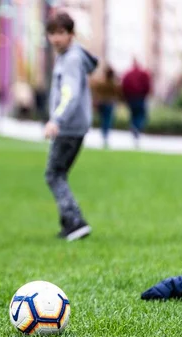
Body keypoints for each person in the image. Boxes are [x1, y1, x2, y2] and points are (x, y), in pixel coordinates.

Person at [43, 12, 98, 242]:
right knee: (58, 173)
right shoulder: (66, 56)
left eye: (61, 33)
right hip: (73, 126)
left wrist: (57, 119)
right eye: (52, 33)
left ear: (71, 35)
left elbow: (70, 94)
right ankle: (69, 223)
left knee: (54, 174)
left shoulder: (72, 59)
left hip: (68, 127)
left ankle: (74, 221)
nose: (56, 38)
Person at [121, 59, 152, 147]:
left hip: (131, 97)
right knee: (141, 114)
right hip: (140, 97)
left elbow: (124, 85)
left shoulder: (128, 74)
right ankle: (137, 127)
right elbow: (147, 85)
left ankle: (134, 126)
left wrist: (126, 96)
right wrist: (145, 94)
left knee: (134, 114)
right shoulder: (143, 73)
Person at [91, 66, 122, 148]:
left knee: (104, 118)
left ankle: (104, 133)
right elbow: (118, 93)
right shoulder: (114, 83)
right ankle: (105, 134)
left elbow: (94, 88)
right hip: (109, 103)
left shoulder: (101, 82)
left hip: (102, 102)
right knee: (107, 119)